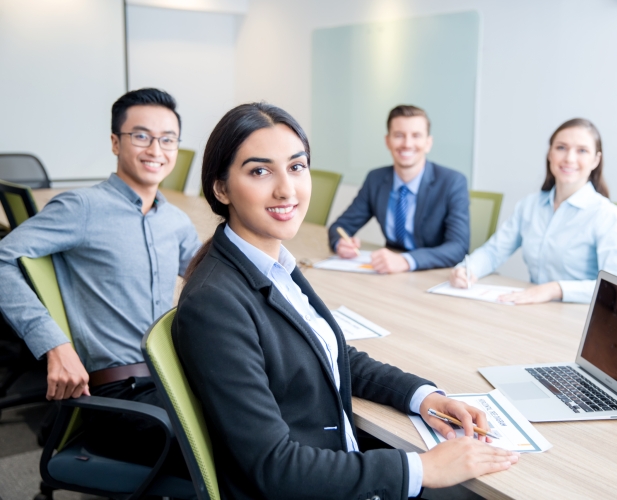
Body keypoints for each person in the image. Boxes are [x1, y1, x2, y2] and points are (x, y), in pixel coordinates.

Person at [174, 102, 518, 499]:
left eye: (297, 166)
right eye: (260, 171)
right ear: (221, 187)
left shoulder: (272, 263)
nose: (286, 189)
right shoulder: (216, 303)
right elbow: (274, 467)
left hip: (338, 464)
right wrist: (422, 467)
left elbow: (329, 351)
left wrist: (425, 398)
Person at [0, 88, 200, 465]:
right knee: (241, 452)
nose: (156, 150)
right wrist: (53, 345)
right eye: (141, 136)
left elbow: (211, 278)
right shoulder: (82, 208)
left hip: (171, 381)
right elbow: (2, 260)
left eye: (167, 139)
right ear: (115, 142)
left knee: (268, 422)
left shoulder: (175, 221)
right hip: (120, 396)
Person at [450, 118, 617, 304]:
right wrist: (468, 269)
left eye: (582, 150)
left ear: (595, 160)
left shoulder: (605, 215)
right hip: (535, 311)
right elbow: (494, 252)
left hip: (580, 318)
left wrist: (556, 289)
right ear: (550, 154)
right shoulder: (530, 205)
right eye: (561, 147)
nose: (569, 158)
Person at [328, 105, 470, 273]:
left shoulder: (452, 182)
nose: (407, 144)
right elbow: (340, 227)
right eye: (399, 135)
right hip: (388, 275)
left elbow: (459, 247)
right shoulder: (376, 179)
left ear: (428, 143)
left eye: (416, 136)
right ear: (387, 141)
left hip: (434, 273)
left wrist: (406, 261)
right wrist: (341, 243)